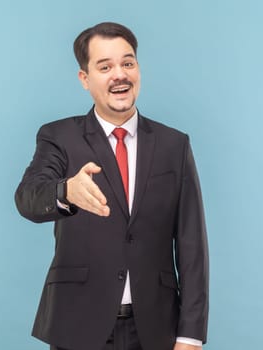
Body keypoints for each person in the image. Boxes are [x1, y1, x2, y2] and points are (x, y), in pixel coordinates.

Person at [15, 22, 209, 350]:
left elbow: (192, 245)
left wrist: (190, 335)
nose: (119, 74)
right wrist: (65, 192)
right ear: (85, 79)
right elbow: (28, 198)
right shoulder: (59, 138)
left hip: (155, 328)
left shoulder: (174, 145)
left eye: (128, 63)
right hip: (78, 324)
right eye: (105, 67)